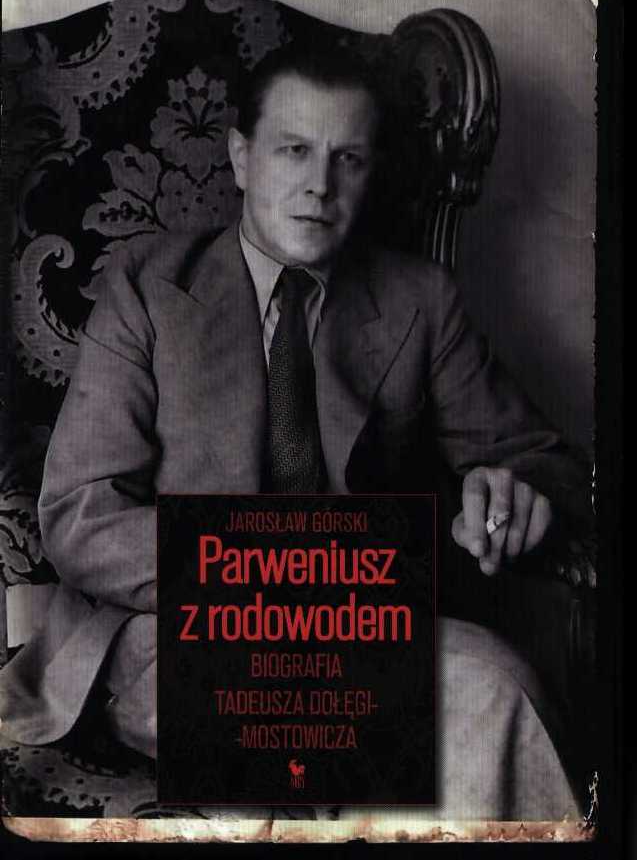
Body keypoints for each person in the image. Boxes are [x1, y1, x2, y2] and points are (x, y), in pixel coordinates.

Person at [0, 44, 589, 819]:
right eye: (293, 150)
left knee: (501, 686)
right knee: (365, 726)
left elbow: (543, 463)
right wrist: (297, 565)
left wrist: (516, 496)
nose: (320, 184)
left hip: (361, 630)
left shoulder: (419, 301)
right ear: (241, 157)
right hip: (174, 632)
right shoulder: (149, 288)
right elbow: (81, 517)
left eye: (348, 158)